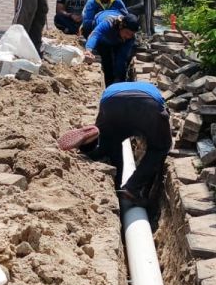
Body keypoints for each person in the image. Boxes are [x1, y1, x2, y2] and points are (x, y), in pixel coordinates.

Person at [59, 81, 173, 212]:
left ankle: (88, 147)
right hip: (147, 105)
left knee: (109, 144)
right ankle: (132, 188)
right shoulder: (153, 90)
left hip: (111, 102)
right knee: (160, 147)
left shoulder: (119, 86)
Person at [84, 10, 138, 87]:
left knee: (120, 62)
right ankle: (108, 82)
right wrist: (88, 50)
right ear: (121, 26)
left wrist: (119, 79)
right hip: (104, 37)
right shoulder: (108, 23)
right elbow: (95, 35)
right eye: (127, 33)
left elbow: (122, 57)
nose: (128, 36)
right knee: (106, 60)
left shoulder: (130, 38)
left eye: (131, 34)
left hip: (116, 39)